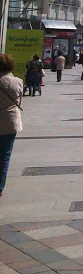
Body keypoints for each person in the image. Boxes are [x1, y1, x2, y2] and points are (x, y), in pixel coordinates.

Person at [0, 54, 23, 198]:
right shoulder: (17, 81)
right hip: (9, 121)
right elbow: (19, 102)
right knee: (4, 156)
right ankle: (0, 186)